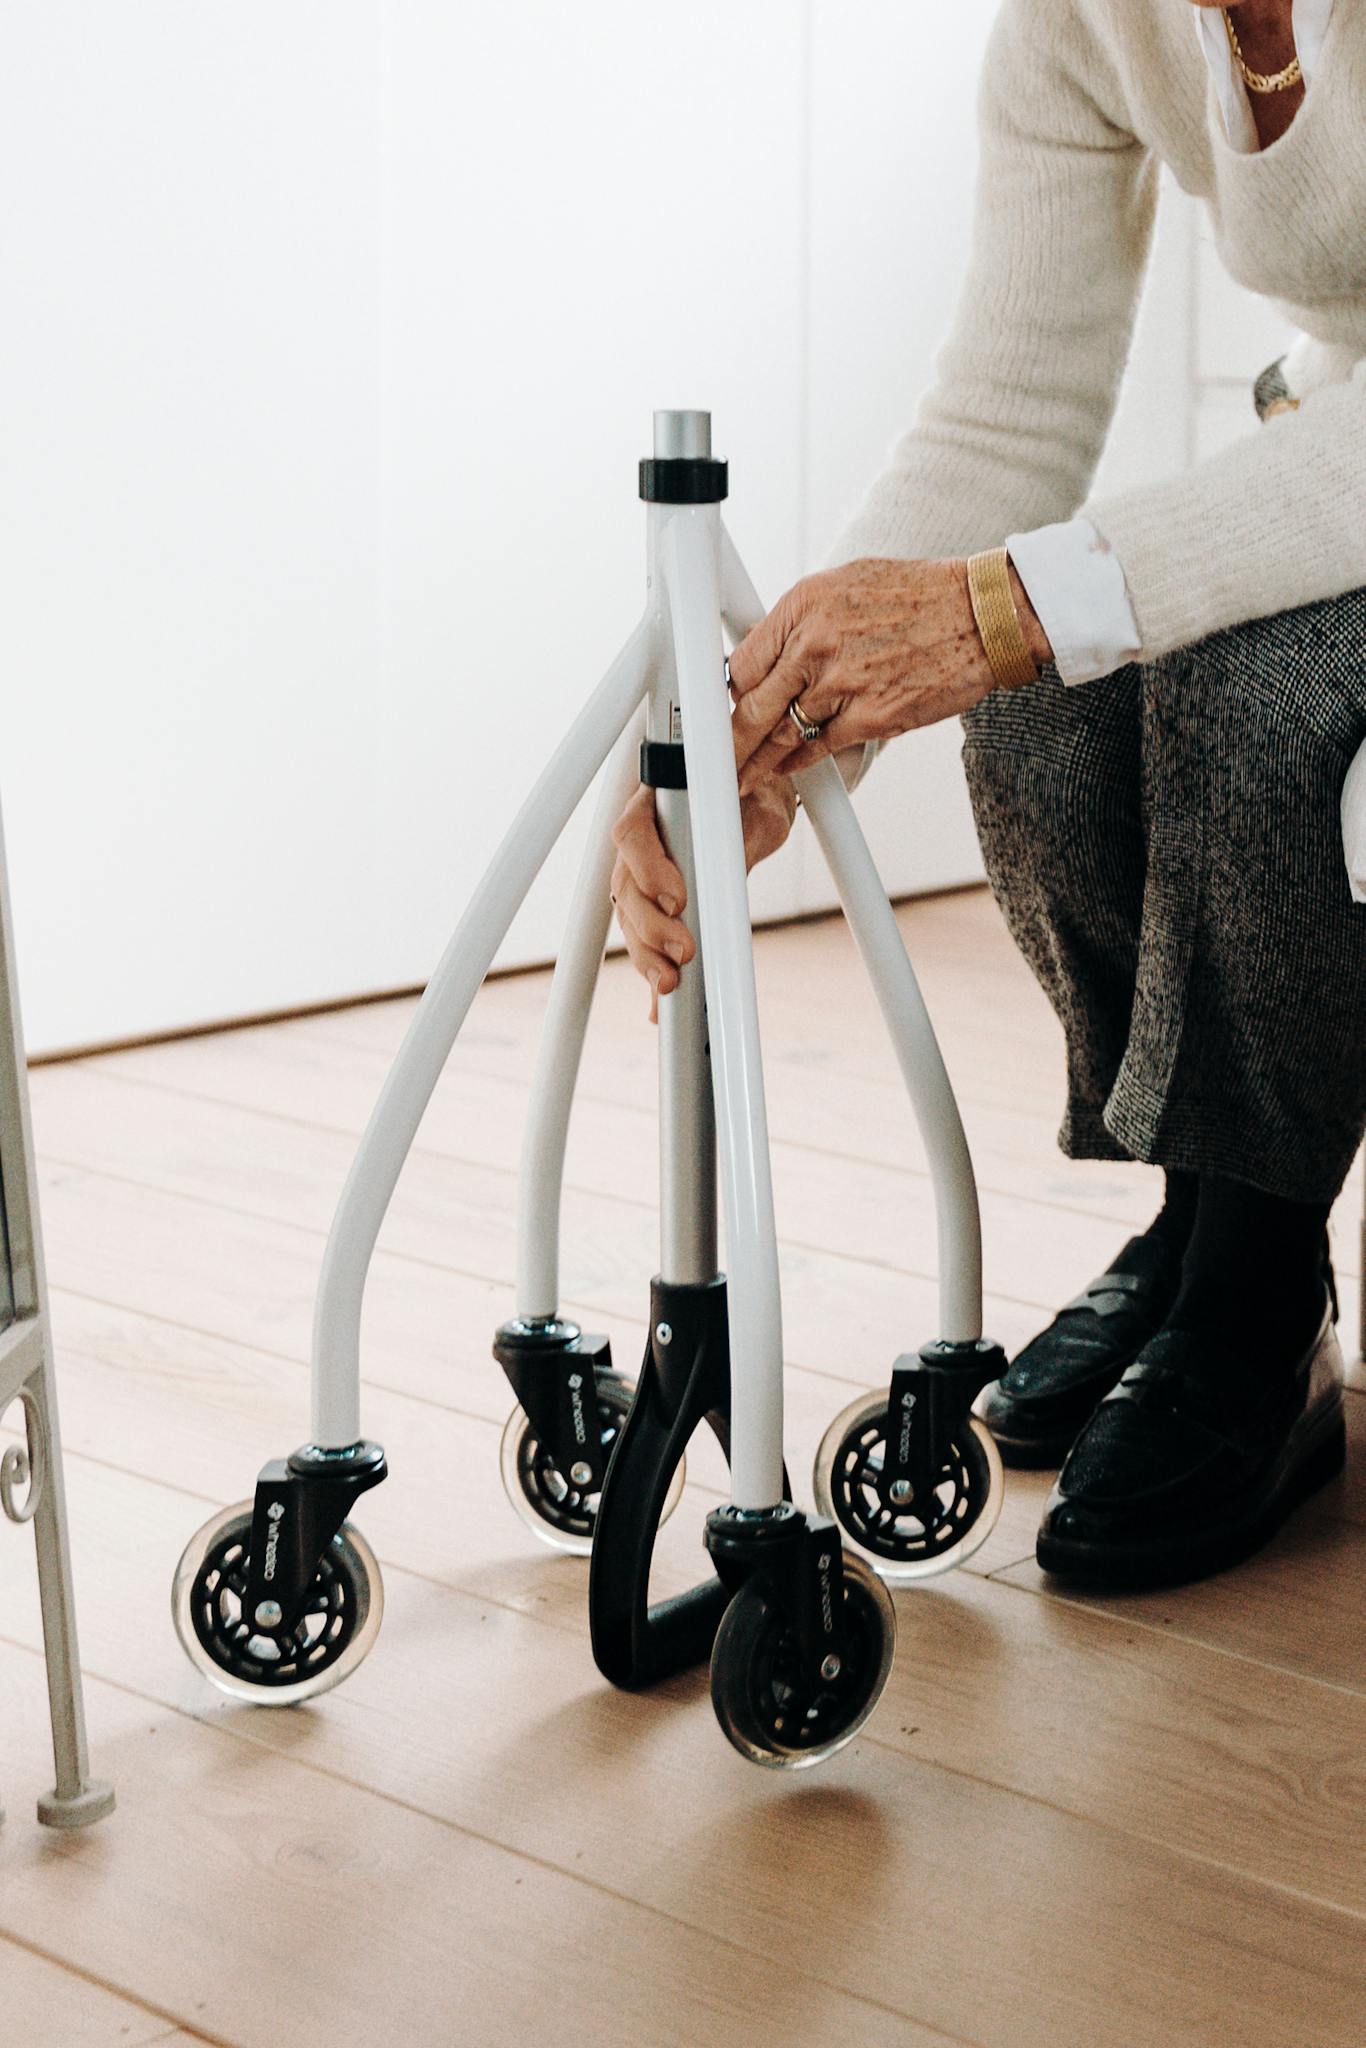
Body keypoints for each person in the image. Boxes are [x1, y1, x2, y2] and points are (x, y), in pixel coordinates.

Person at [609, 0, 1366, 1590]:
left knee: (1237, 692)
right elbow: (1008, 407)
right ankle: (1203, 1202)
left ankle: (1253, 1280)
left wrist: (999, 607)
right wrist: (769, 734)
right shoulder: (1081, 21)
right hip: (1333, 435)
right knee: (1040, 713)